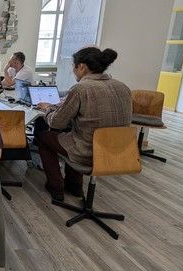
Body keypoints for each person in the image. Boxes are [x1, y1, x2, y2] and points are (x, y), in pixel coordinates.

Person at [34, 47, 131, 201]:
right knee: (75, 134)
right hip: (121, 152)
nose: (74, 71)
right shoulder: (123, 87)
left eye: (74, 67)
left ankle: (56, 187)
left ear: (81, 67)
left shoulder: (81, 89)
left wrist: (47, 109)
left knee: (45, 137)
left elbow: (57, 123)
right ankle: (75, 187)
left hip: (89, 152)